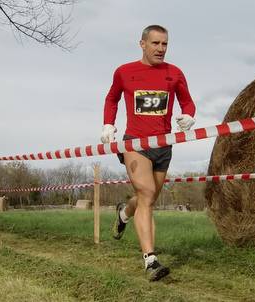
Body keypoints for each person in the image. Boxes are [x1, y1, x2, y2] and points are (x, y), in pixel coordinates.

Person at [101, 24, 196, 281]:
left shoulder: (174, 73)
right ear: (142, 44)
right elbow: (112, 99)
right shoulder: (124, 72)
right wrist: (108, 124)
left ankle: (123, 213)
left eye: (164, 44)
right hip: (135, 144)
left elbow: (187, 100)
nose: (161, 49)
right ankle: (150, 260)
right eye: (155, 43)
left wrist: (188, 115)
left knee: (147, 199)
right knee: (147, 193)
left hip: (163, 145)